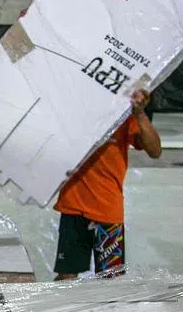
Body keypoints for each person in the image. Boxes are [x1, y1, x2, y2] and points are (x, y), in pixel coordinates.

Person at [54, 89, 162, 279]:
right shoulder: (71, 106)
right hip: (74, 203)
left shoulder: (122, 111)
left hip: (107, 208)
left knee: (111, 282)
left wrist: (139, 113)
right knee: (66, 278)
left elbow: (155, 151)